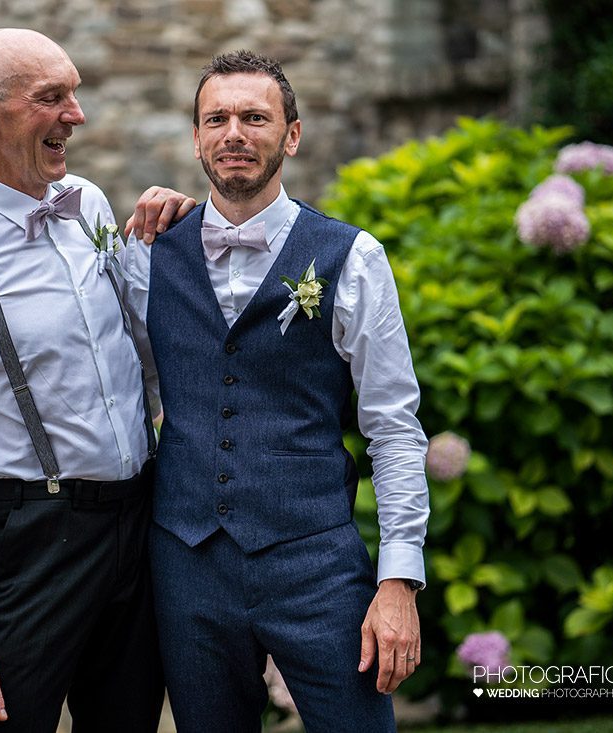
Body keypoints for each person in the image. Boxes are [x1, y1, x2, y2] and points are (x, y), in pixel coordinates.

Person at [0, 28, 193, 732]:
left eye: (74, 94)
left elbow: (141, 350)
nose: (76, 115)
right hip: (32, 545)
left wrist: (169, 237)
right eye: (52, 98)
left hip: (140, 524)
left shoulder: (86, 202)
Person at [127, 51, 430, 732]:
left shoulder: (353, 257)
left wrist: (398, 580)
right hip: (187, 564)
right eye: (217, 118)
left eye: (254, 117)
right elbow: (116, 386)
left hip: (316, 563)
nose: (234, 131)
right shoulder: (145, 253)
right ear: (197, 137)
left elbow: (394, 427)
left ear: (291, 135)